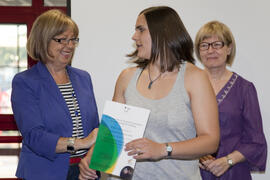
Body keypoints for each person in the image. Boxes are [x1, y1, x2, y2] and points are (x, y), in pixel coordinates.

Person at [79, 6, 220, 180]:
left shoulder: (194, 78)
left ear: (162, 32)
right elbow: (112, 135)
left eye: (140, 29)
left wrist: (163, 149)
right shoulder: (126, 77)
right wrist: (92, 159)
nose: (134, 36)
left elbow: (210, 141)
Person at [11, 9, 100, 180]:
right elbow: (35, 137)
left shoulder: (83, 77)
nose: (70, 45)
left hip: (85, 172)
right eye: (62, 40)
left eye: (73, 39)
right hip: (45, 173)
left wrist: (89, 160)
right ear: (43, 41)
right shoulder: (25, 82)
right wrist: (81, 143)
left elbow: (94, 129)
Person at [195, 21, 267, 180]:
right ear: (198, 51)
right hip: (194, 173)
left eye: (217, 44)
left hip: (233, 173)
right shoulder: (188, 86)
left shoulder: (245, 89)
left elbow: (256, 141)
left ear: (229, 48)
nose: (211, 50)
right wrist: (195, 156)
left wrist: (228, 161)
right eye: (204, 45)